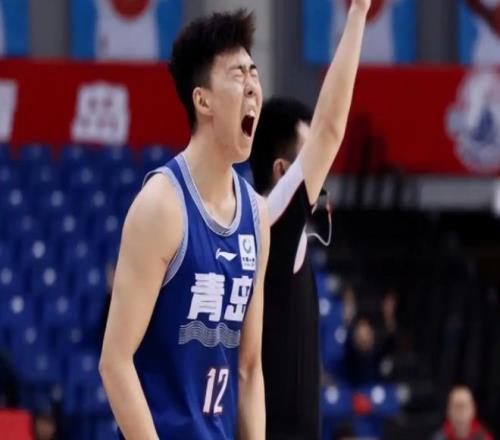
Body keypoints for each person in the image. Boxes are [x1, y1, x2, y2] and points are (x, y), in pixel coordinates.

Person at [99, 10, 269, 439]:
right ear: (202, 100)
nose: (253, 86)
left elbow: (249, 368)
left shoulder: (256, 214)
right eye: (238, 75)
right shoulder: (160, 207)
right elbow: (115, 362)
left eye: (254, 72)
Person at [249, 0, 370, 438]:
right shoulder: (270, 219)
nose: (322, 170)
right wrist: (358, 13)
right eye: (309, 157)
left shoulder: (275, 230)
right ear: (283, 171)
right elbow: (331, 129)